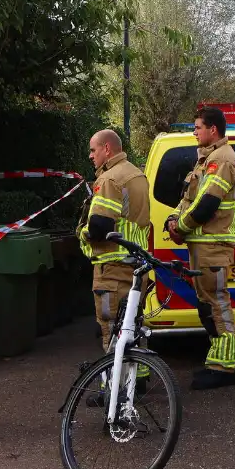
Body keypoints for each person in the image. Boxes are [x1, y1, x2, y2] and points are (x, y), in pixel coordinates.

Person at [166, 106, 235, 390]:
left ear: (213, 129)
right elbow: (189, 200)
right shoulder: (206, 160)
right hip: (203, 244)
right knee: (208, 306)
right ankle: (218, 361)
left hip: (213, 244)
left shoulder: (221, 159)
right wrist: (173, 219)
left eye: (198, 127)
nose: (194, 132)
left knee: (216, 305)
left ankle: (225, 367)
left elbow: (208, 203)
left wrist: (181, 228)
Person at [75, 129, 151, 406]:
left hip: (113, 266)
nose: (91, 156)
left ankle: (115, 394)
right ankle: (136, 382)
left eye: (93, 150)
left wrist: (83, 234)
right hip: (135, 265)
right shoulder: (136, 173)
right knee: (133, 327)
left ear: (107, 149)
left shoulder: (109, 178)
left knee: (111, 328)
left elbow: (99, 226)